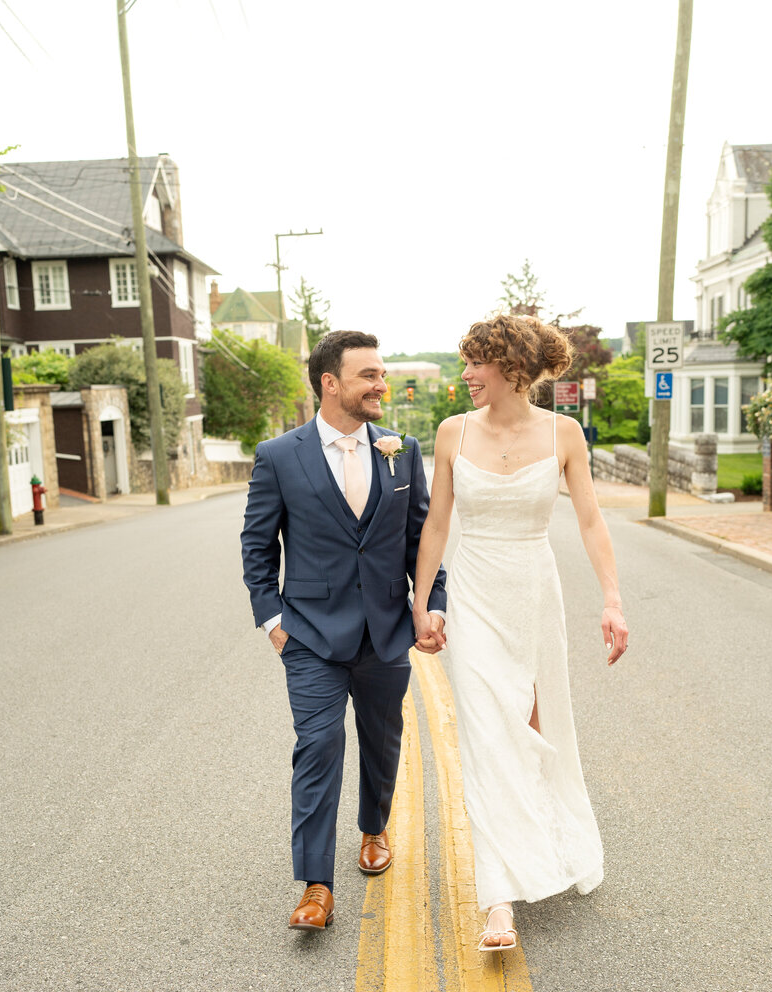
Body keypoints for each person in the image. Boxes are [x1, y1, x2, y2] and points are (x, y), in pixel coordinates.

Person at [412, 313, 628, 952]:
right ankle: (498, 902)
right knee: (485, 735)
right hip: (474, 592)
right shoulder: (452, 433)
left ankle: (544, 844)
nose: (467, 375)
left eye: (476, 363)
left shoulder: (565, 435)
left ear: (512, 369)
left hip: (534, 594)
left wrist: (612, 601)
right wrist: (422, 605)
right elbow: (435, 526)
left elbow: (590, 521)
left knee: (535, 726)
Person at [241, 330, 447, 931]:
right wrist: (273, 620)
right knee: (318, 747)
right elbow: (258, 545)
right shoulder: (279, 455)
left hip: (384, 632)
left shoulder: (401, 450)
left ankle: (374, 827)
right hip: (309, 635)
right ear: (331, 384)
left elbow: (421, 540)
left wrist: (431, 602)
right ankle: (315, 886)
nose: (382, 384)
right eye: (370, 376)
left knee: (383, 743)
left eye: (382, 374)